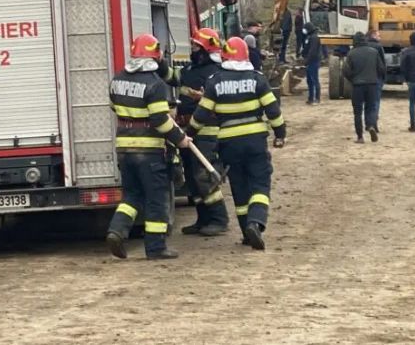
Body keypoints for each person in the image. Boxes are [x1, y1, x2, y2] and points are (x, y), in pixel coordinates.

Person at [190, 37, 286, 250]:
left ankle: (246, 232)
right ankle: (256, 223)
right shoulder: (257, 79)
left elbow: (202, 114)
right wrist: (280, 133)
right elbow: (273, 111)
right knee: (260, 184)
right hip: (255, 142)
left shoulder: (215, 81)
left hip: (228, 144)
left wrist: (189, 133)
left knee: (240, 188)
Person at [106, 34, 191, 260]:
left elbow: (114, 107)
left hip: (124, 148)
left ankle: (116, 230)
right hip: (150, 151)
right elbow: (160, 121)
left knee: (131, 195)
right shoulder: (155, 84)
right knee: (156, 197)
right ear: (155, 56)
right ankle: (155, 248)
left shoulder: (117, 79)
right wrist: (181, 139)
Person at [176, 28, 230, 237]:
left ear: (206, 48)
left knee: (204, 174)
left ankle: (219, 218)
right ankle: (203, 218)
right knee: (191, 176)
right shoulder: (190, 70)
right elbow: (174, 78)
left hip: (208, 131)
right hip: (188, 130)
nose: (193, 49)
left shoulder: (218, 72)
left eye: (196, 46)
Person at [343, 32, 385, 143]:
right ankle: (371, 125)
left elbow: (346, 70)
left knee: (357, 112)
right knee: (371, 108)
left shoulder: (351, 53)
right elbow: (381, 69)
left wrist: (353, 79)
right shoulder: (374, 52)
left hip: (357, 86)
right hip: (372, 84)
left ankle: (360, 137)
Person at [367, 29, 387, 117]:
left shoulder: (364, 46)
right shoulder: (378, 47)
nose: (380, 37)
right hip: (376, 78)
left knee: (367, 101)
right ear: (373, 36)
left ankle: (368, 122)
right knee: (376, 101)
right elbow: (382, 63)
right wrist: (383, 77)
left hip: (366, 78)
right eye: (378, 36)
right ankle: (374, 121)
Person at [303, 22, 322, 104]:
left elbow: (312, 51)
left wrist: (307, 61)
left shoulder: (314, 38)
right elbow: (307, 49)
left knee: (314, 80)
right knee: (309, 81)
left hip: (313, 61)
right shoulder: (310, 37)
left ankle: (317, 98)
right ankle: (311, 98)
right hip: (310, 61)